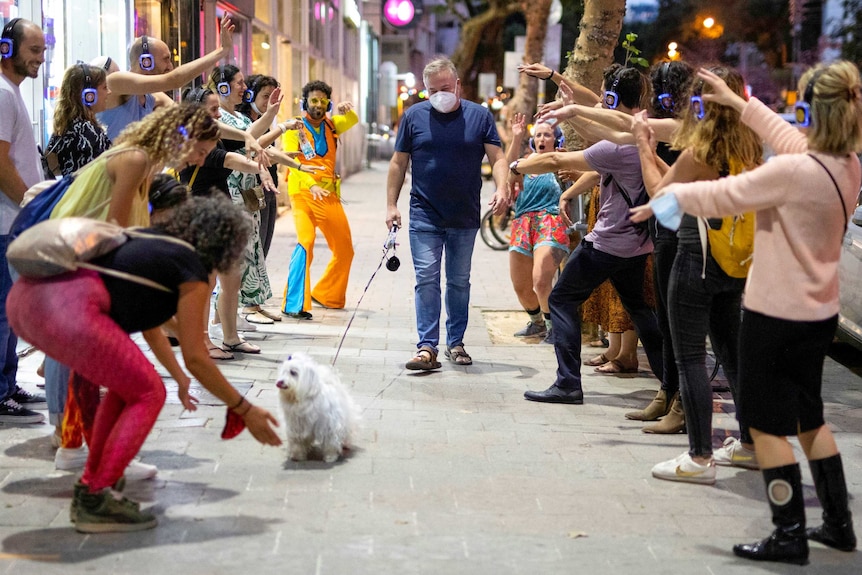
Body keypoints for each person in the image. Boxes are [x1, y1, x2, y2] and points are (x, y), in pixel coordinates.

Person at [630, 62, 861, 565]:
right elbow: (787, 138)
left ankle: (789, 532)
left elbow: (722, 194)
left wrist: (664, 200)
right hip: (818, 316)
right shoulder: (845, 166)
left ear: (812, 110)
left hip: (774, 317)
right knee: (809, 418)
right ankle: (839, 525)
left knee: (768, 428)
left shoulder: (791, 171)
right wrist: (741, 105)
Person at [8, 194, 282, 533]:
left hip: (26, 302)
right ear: (226, 246)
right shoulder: (191, 270)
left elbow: (152, 323)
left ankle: (96, 483)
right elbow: (198, 356)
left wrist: (179, 376)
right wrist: (244, 409)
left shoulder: (153, 244)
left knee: (132, 386)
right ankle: (95, 497)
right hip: (66, 310)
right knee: (150, 392)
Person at [49, 103, 220, 474]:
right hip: (80, 269)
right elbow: (115, 233)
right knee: (123, 377)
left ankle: (79, 447)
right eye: (200, 151)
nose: (199, 161)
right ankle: (97, 457)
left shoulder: (144, 165)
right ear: (182, 136)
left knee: (99, 370)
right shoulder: (135, 160)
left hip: (83, 269)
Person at [634, 66, 762, 485]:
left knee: (689, 356)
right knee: (731, 353)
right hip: (733, 264)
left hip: (695, 260)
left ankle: (699, 456)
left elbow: (659, 196)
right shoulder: (751, 148)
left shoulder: (700, 152)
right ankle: (750, 444)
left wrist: (641, 146)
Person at [513, 64, 664, 404]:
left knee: (562, 299)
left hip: (607, 243)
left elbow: (553, 159)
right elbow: (595, 111)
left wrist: (515, 167)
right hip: (638, 244)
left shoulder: (614, 148)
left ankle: (567, 383)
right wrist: (559, 86)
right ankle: (671, 381)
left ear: (612, 97)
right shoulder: (641, 132)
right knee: (640, 310)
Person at [386, 57, 509, 370]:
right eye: (432, 89)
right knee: (426, 279)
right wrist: (391, 205)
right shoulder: (413, 116)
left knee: (458, 281)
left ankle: (456, 342)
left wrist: (502, 187)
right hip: (423, 214)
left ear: (458, 85)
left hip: (464, 216)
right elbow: (398, 163)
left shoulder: (479, 116)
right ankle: (427, 347)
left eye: (445, 87)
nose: (439, 94)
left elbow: (497, 158)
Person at [0, 17, 47, 423]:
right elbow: (0, 165)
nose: (40, 59)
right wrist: (30, 204)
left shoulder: (10, 92)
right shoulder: (1, 93)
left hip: (13, 221)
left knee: (11, 309)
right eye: (34, 50)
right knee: (3, 309)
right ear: (7, 49)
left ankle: (8, 382)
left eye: (43, 51)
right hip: (5, 223)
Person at [280, 80, 359, 319]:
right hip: (303, 194)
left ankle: (327, 294)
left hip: (329, 196)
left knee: (345, 249)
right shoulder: (294, 127)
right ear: (305, 102)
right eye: (314, 100)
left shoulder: (332, 125)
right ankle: (293, 304)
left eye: (323, 101)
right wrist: (311, 184)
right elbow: (292, 163)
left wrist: (348, 109)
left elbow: (352, 120)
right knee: (306, 241)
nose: (318, 105)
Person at [505, 113, 568, 344]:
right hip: (522, 224)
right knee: (520, 285)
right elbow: (507, 172)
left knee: (540, 279)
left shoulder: (560, 160)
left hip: (550, 222)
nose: (542, 138)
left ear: (556, 139)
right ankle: (537, 322)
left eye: (547, 134)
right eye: (538, 134)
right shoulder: (525, 161)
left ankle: (554, 329)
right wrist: (516, 137)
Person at [42, 63, 111, 177]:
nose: (109, 92)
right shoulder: (88, 132)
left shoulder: (64, 128)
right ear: (89, 95)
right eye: (104, 87)